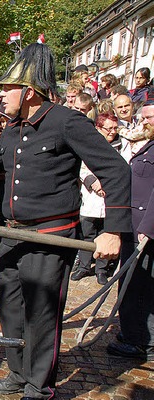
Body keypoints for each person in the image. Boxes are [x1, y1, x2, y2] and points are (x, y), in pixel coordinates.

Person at [0, 43, 131, 399]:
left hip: (51, 238)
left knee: (41, 316)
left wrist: (113, 230)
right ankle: (20, 373)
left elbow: (115, 170)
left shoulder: (67, 122)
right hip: (12, 236)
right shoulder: (11, 129)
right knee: (11, 311)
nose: (0, 95)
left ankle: (40, 386)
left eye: (8, 89)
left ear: (30, 90)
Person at [106, 99, 154, 360]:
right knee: (132, 283)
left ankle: (142, 342)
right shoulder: (148, 144)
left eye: (149, 118)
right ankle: (133, 331)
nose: (144, 122)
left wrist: (148, 228)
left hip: (144, 231)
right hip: (134, 226)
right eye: (143, 117)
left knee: (141, 288)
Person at [70, 113, 123, 285]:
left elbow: (123, 169)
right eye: (109, 128)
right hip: (91, 200)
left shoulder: (122, 145)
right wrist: (93, 183)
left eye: (115, 128)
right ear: (99, 129)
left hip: (109, 201)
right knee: (87, 235)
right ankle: (84, 267)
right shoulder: (89, 145)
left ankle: (101, 269)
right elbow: (81, 168)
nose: (113, 132)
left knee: (104, 234)